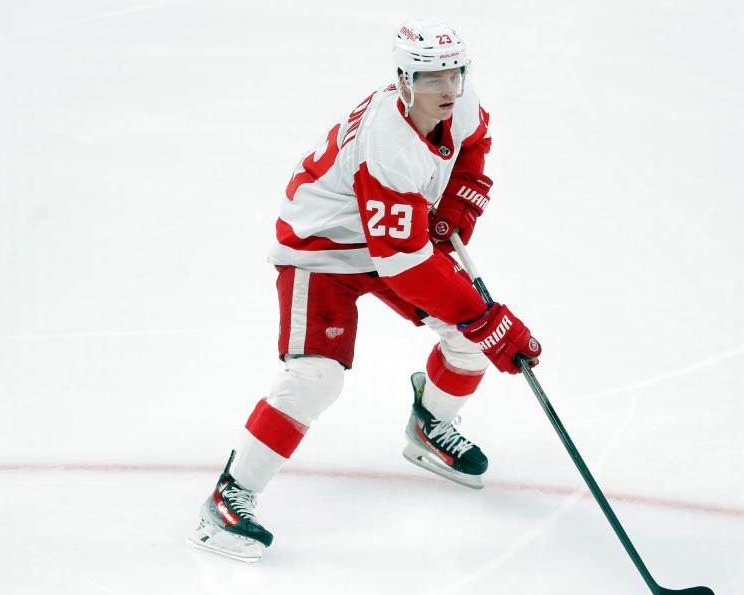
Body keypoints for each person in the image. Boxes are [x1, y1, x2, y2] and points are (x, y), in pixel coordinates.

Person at [188, 18, 542, 562]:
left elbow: (474, 145)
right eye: (430, 78)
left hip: (393, 239)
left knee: (468, 338)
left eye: (455, 74)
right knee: (317, 377)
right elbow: (403, 266)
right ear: (403, 79)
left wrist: (454, 207)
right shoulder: (387, 144)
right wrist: (486, 317)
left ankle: (431, 427)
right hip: (322, 248)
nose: (447, 89)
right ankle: (229, 497)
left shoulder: (460, 104)